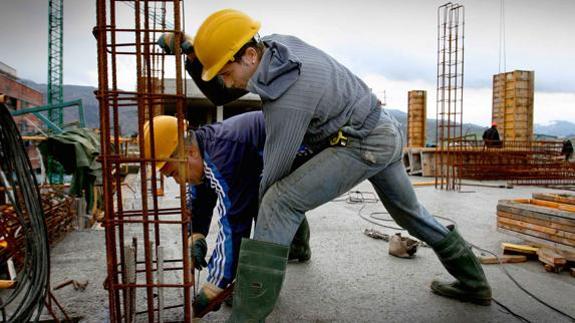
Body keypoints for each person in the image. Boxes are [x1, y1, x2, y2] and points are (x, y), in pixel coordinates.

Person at [184, 8, 491, 321]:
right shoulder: (275, 48)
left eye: (225, 72)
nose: (227, 81)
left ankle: (247, 316)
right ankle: (473, 283)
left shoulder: (288, 97)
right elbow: (222, 96)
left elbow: (273, 176)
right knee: (411, 215)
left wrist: (249, 246)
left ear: (249, 55)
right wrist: (194, 53)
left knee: (277, 200)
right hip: (380, 130)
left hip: (363, 144)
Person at [141, 112, 311, 317]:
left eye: (175, 173)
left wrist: (215, 285)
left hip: (309, 149)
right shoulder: (204, 148)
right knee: (262, 196)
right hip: (275, 153)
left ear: (190, 153)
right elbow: (201, 196)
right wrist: (195, 236)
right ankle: (298, 246)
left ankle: (263, 286)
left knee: (268, 205)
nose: (178, 181)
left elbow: (234, 222)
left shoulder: (224, 155)